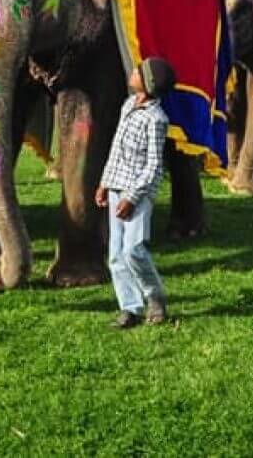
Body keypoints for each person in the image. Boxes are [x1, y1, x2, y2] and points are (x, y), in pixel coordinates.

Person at [95, 57, 174, 329]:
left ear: (149, 83)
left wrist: (133, 197)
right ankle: (129, 307)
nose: (133, 72)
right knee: (115, 255)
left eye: (139, 72)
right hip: (116, 186)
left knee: (134, 250)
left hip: (136, 194)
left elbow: (154, 166)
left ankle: (156, 298)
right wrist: (105, 183)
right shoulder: (128, 105)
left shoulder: (156, 119)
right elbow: (116, 149)